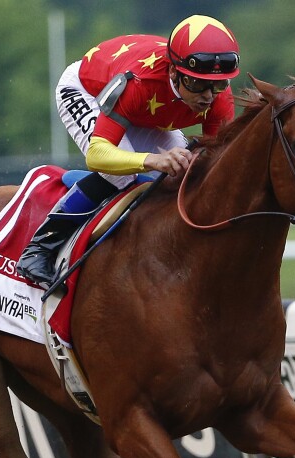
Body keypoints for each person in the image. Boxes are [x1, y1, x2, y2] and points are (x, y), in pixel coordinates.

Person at [16, 14, 240, 288]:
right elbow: (98, 155)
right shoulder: (140, 82)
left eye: (217, 85)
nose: (207, 96)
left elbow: (218, 165)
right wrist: (152, 160)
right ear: (173, 72)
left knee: (184, 174)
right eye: (196, 84)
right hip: (88, 91)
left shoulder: (218, 98)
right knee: (120, 176)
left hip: (146, 110)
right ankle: (40, 248)